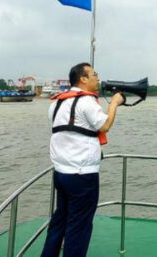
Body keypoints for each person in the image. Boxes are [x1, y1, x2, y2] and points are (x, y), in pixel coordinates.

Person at [41, 63, 124, 257]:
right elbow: (105, 125)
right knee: (79, 228)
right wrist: (114, 103)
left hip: (61, 174)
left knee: (59, 222)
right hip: (82, 177)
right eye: (94, 74)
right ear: (83, 79)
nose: (98, 78)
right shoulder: (87, 103)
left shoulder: (56, 103)